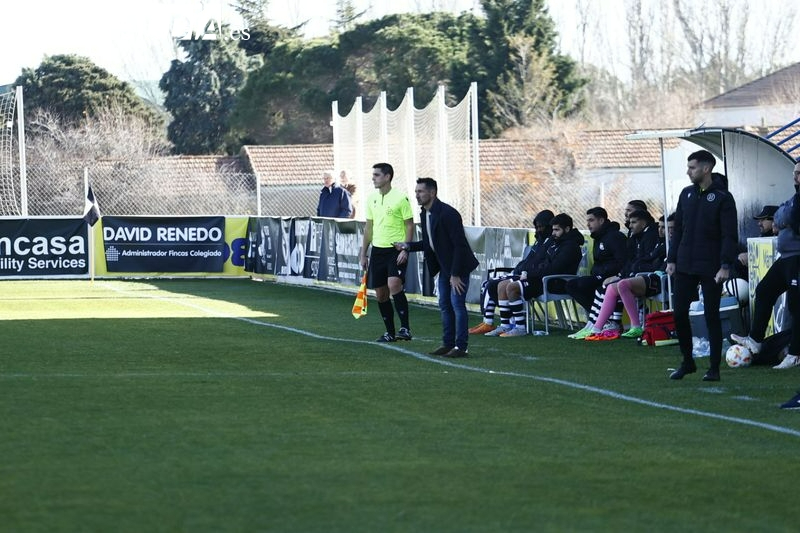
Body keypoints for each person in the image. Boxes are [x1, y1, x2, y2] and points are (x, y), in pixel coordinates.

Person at [667, 150, 738, 382]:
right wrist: (672, 259)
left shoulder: (723, 198)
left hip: (711, 266)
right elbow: (678, 230)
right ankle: (688, 362)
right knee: (678, 314)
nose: (688, 172)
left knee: (711, 316)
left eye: (692, 167)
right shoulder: (686, 194)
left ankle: (714, 368)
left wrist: (725, 264)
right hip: (686, 263)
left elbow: (729, 235)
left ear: (706, 169)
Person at [396, 178, 479, 357]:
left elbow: (459, 245)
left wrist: (455, 274)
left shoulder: (448, 214)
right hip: (445, 268)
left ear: (432, 193)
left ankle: (461, 347)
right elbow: (429, 242)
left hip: (458, 267)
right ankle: (448, 344)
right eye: (416, 191)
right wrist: (408, 246)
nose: (416, 195)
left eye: (420, 191)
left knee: (457, 304)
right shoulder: (425, 213)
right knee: (444, 304)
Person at [730, 164, 800, 370]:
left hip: (797, 257)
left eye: (799, 173)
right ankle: (755, 340)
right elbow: (780, 215)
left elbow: (790, 218)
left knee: (797, 307)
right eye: (794, 172)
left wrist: (784, 216)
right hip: (787, 256)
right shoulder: (794, 198)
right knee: (764, 290)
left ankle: (795, 354)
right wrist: (782, 216)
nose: (795, 176)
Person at [484, 213, 584, 337]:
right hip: (541, 279)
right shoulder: (554, 243)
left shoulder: (571, 246)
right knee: (501, 285)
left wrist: (530, 273)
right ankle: (505, 326)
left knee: (512, 287)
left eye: (557, 230)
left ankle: (520, 328)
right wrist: (529, 271)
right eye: (553, 230)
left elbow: (554, 269)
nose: (553, 233)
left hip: (554, 282)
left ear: (567, 229)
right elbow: (540, 261)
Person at [585, 213, 674, 340]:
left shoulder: (675, 244)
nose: (662, 230)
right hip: (650, 277)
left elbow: (657, 265)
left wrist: (642, 269)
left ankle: (635, 326)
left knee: (623, 284)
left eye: (668, 228)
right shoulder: (659, 243)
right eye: (662, 227)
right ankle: (596, 328)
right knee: (611, 287)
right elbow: (646, 260)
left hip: (662, 280)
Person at [469, 209, 555, 335]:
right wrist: (520, 270)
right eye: (536, 227)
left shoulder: (552, 243)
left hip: (539, 280)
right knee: (489, 283)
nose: (538, 230)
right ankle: (490, 322)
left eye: (540, 227)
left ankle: (515, 326)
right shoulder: (539, 241)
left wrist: (525, 272)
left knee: (502, 285)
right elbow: (529, 261)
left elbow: (542, 265)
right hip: (527, 275)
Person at [359, 163, 415, 343]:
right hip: (377, 251)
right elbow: (368, 227)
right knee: (381, 294)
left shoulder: (401, 198)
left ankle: (405, 328)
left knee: (394, 285)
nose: (373, 178)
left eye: (376, 175)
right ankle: (390, 333)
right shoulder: (371, 199)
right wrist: (363, 253)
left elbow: (409, 224)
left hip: (396, 250)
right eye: (373, 174)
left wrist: (406, 248)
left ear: (387, 176)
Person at [566, 207, 627, 339]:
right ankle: (598, 320)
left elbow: (622, 261)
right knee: (571, 285)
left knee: (585, 284)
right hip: (601, 275)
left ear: (601, 220)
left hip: (613, 277)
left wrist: (611, 275)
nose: (588, 224)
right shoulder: (598, 237)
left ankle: (601, 322)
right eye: (587, 221)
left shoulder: (614, 237)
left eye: (591, 220)